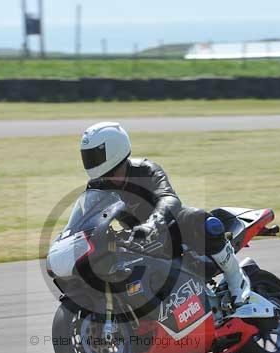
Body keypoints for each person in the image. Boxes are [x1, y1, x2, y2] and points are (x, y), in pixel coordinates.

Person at [80, 121, 251, 307]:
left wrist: (153, 223)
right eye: (88, 156)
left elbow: (169, 198)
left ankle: (237, 280)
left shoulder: (145, 169)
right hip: (136, 237)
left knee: (206, 222)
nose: (91, 160)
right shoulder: (97, 185)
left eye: (95, 155)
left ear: (114, 149)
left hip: (170, 226)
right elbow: (87, 218)